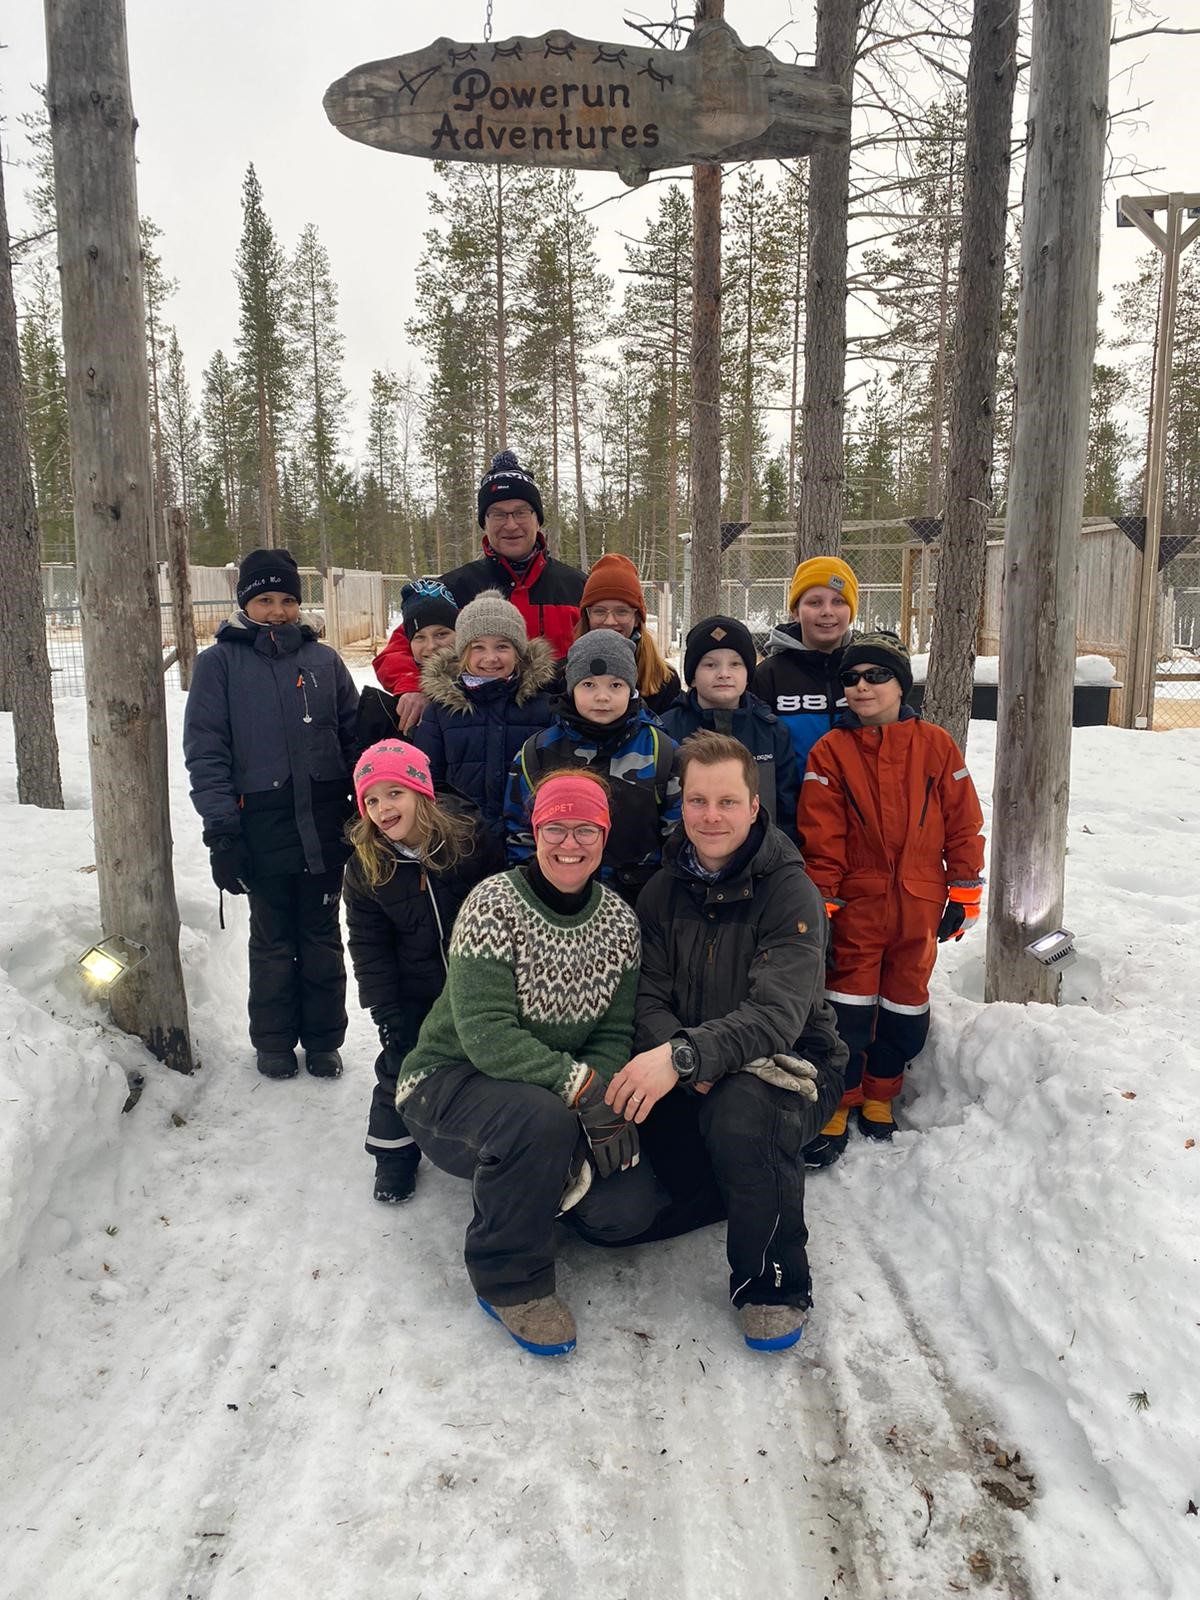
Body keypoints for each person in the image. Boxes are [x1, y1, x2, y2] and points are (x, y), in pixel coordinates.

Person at [398, 770, 659, 1356]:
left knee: (625, 1211)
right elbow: (486, 1034)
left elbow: (613, 1031)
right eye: (555, 828)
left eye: (585, 829)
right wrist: (581, 1089)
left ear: (605, 835)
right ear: (534, 832)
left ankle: (533, 1184)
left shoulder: (620, 923)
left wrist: (600, 1097)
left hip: (552, 1100)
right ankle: (510, 1281)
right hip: (448, 1085)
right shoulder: (493, 905)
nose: (570, 843)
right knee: (537, 1121)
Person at [606, 732, 847, 1353]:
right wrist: (681, 1054)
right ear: (681, 804)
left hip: (790, 1063)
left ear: (754, 805)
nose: (711, 816)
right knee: (613, 1217)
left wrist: (686, 1056)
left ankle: (772, 1282)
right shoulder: (661, 891)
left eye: (727, 802)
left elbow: (777, 1014)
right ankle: (728, 1185)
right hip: (691, 1064)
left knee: (743, 1114)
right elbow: (646, 998)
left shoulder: (789, 891)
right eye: (698, 801)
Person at [796, 633, 985, 1165]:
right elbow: (821, 835)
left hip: (920, 903)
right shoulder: (830, 751)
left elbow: (963, 822)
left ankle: (881, 1094)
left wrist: (964, 891)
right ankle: (840, 1100)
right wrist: (823, 902)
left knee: (905, 1008)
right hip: (858, 904)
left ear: (901, 685)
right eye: (851, 678)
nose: (862, 686)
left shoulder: (936, 745)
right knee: (846, 1009)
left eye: (876, 676)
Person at [183, 548, 359, 1079]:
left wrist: (363, 808)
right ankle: (274, 1041)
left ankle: (324, 1040)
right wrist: (222, 832)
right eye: (265, 600)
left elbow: (353, 736)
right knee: (273, 941)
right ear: (245, 603)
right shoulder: (218, 665)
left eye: (287, 600)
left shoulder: (324, 661)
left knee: (322, 938)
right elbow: (207, 752)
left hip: (323, 824)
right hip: (260, 825)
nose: (278, 611)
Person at [343, 739, 504, 1204]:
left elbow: (502, 904)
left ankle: (491, 1140)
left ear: (421, 793)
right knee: (403, 1063)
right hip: (415, 988)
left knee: (487, 1057)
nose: (383, 808)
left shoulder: (470, 840)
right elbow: (368, 945)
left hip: (477, 980)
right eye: (372, 800)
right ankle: (393, 1154)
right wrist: (385, 1010)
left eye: (394, 793)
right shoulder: (367, 866)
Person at [371, 451, 586, 727]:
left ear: (538, 519)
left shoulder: (578, 587)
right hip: (473, 733)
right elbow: (398, 650)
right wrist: (413, 684)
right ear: (484, 522)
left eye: (521, 512)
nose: (511, 524)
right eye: (498, 514)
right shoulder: (450, 590)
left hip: (559, 731)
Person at [504, 631, 681, 905]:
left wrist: (661, 900)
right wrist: (537, 896)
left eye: (615, 685)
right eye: (588, 684)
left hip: (639, 902)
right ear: (571, 687)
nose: (602, 697)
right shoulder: (536, 753)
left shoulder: (662, 751)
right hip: (559, 902)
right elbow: (520, 834)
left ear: (631, 689)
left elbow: (677, 838)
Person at [410, 589, 556, 838]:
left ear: (518, 652)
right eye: (478, 647)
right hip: (463, 840)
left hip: (528, 839)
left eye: (502, 646)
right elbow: (428, 780)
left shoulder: (544, 708)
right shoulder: (441, 711)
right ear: (463, 653)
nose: (491, 658)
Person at [662, 614, 799, 843]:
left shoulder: (772, 731)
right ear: (692, 676)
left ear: (748, 674)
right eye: (710, 665)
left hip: (759, 856)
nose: (724, 674)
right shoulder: (666, 731)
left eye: (735, 664)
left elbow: (787, 809)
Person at [752, 555, 860, 771]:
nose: (827, 611)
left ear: (851, 611)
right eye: (814, 602)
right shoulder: (768, 675)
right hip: (792, 791)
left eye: (838, 601)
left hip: (857, 792)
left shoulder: (866, 670)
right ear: (796, 612)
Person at [357, 580, 458, 752]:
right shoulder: (396, 708)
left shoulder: (485, 679)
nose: (431, 646)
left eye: (441, 634)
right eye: (420, 637)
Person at [575, 552, 680, 715]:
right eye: (599, 611)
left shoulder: (664, 680)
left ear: (637, 618)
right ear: (587, 616)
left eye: (622, 611)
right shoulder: (565, 674)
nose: (610, 621)